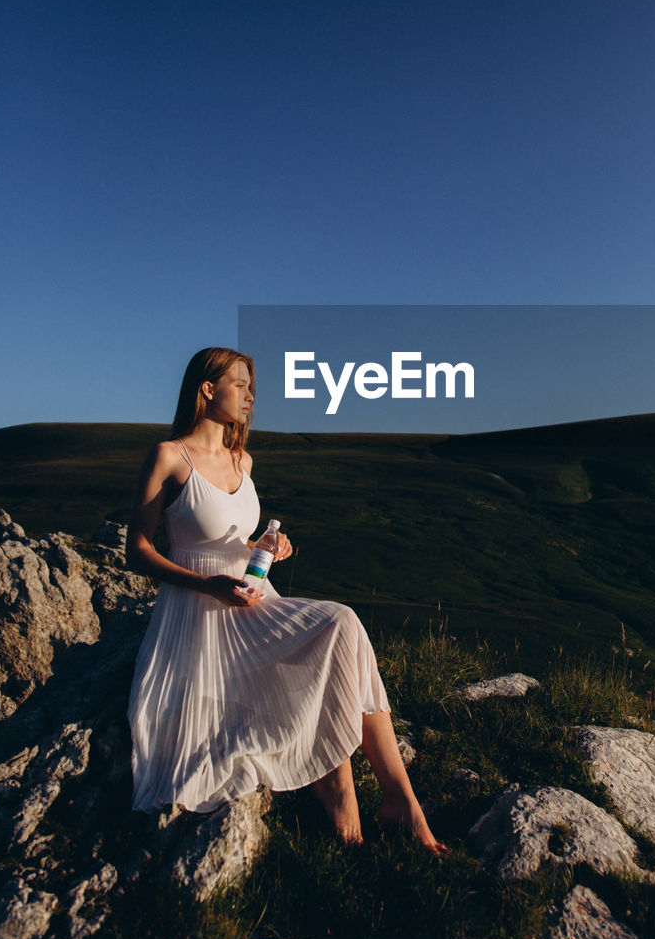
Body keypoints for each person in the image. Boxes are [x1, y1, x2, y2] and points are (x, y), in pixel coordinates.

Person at [127, 346, 447, 853]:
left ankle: (400, 799)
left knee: (341, 626)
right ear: (208, 390)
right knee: (337, 631)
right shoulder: (169, 457)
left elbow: (235, 540)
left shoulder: (242, 459)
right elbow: (138, 549)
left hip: (253, 595)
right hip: (199, 610)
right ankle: (341, 786)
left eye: (253, 386)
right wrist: (208, 585)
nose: (251, 396)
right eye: (241, 385)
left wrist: (266, 547)